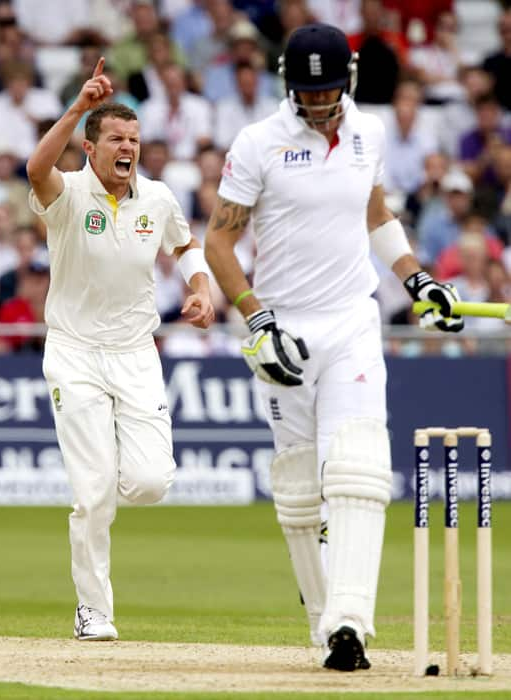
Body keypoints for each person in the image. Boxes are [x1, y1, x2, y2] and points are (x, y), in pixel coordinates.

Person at [204, 23, 463, 672]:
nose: (320, 105)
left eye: (329, 91)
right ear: (288, 86)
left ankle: (350, 619)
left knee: (358, 465)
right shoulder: (258, 143)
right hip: (284, 327)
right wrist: (257, 319)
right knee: (298, 489)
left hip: (351, 319)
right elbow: (218, 245)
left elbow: (375, 215)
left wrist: (416, 276)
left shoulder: (368, 132)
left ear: (346, 79)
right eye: (308, 92)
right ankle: (326, 625)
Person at [26, 57, 214, 641]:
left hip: (135, 352)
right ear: (91, 147)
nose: (127, 146)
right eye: (115, 138)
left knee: (151, 482)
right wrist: (80, 106)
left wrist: (201, 287)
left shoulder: (156, 198)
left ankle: (107, 472)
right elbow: (35, 169)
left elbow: (185, 247)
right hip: (75, 351)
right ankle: (94, 612)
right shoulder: (68, 194)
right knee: (93, 491)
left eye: (133, 138)